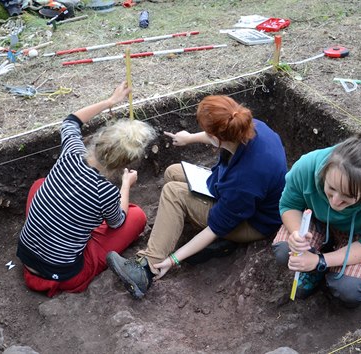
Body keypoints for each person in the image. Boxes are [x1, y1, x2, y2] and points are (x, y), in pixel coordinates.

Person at [106, 95, 288, 299]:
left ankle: (147, 269)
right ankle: (181, 227)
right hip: (237, 196)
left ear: (217, 138)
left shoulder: (245, 179)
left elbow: (216, 227)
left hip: (252, 222)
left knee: (173, 193)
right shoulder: (249, 125)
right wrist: (190, 137)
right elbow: (218, 134)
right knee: (173, 172)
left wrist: (173, 259)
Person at [16, 81, 155, 297]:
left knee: (39, 185)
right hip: (66, 276)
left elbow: (71, 121)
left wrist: (110, 101)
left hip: (27, 257)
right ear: (123, 165)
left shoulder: (71, 152)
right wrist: (126, 185)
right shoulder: (105, 191)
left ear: (100, 137)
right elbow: (118, 222)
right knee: (135, 216)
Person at [273, 132, 361, 307]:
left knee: (350, 290)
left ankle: (323, 266)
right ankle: (315, 265)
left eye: (348, 197)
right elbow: (289, 205)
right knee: (285, 251)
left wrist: (320, 261)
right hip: (318, 220)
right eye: (331, 189)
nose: (335, 201)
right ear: (324, 172)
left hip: (358, 234)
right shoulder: (307, 166)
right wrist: (297, 234)